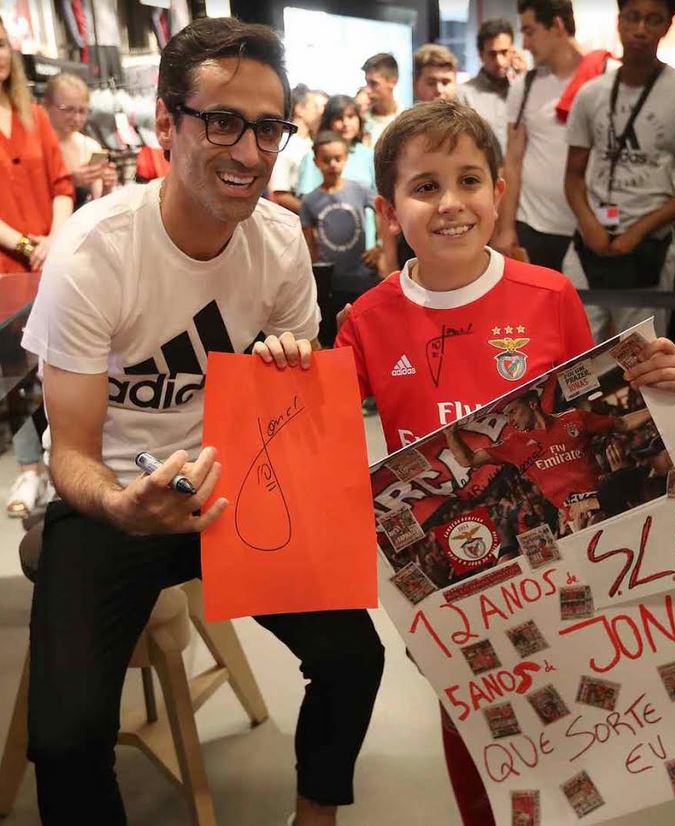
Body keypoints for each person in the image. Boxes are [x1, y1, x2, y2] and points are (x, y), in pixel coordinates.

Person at [19, 18, 383, 826]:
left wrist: (293, 378)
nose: (250, 153)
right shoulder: (94, 254)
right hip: (112, 503)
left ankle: (314, 815)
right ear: (164, 122)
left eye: (267, 128)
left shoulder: (283, 245)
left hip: (236, 489)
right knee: (67, 740)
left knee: (355, 656)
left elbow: (294, 421)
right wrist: (122, 505)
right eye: (222, 121)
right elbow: (72, 454)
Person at [334, 98, 675, 825]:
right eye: (424, 186)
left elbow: (595, 417)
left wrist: (665, 386)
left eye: (468, 180)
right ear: (388, 209)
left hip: (564, 561)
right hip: (452, 580)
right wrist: (284, 367)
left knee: (569, 719)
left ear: (499, 192)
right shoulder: (365, 321)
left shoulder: (550, 295)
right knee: (476, 729)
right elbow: (319, 439)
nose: (450, 204)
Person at [564, 0, 675, 341]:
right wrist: (589, 225)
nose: (641, 29)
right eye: (633, 17)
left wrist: (639, 231)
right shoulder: (591, 93)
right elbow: (572, 175)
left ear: (666, 26)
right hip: (590, 242)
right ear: (619, 21)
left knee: (643, 357)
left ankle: (638, 399)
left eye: (653, 20)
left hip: (649, 245)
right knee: (574, 355)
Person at [1, 18, 74, 516]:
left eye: (2, 42)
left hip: (48, 261)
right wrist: (29, 244)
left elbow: (63, 184)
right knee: (16, 377)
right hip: (7, 268)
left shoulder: (35, 117)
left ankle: (53, 467)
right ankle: (29, 470)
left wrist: (54, 239)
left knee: (52, 367)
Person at [445, 386, 675, 533]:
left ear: (533, 404)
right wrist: (450, 434)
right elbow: (467, 461)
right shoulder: (513, 445)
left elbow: (622, 424)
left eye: (512, 412)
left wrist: (659, 407)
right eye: (505, 415)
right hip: (575, 523)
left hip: (607, 503)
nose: (509, 420)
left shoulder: (574, 419)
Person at [492, 0, 589, 271]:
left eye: (530, 31)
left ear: (556, 25)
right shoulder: (525, 86)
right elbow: (512, 161)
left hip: (586, 230)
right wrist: (506, 228)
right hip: (533, 227)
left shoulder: (603, 79)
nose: (526, 43)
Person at [300, 131, 381, 344]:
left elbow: (384, 212)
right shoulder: (310, 201)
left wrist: (380, 247)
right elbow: (310, 244)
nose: (333, 164)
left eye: (338, 158)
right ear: (316, 160)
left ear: (346, 158)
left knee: (367, 331)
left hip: (362, 275)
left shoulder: (360, 190)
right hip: (331, 282)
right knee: (335, 335)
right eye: (326, 160)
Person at [43, 72, 117, 203]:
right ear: (47, 105)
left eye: (82, 111)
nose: (76, 118)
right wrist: (69, 182)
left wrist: (107, 187)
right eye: (68, 110)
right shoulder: (34, 146)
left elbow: (97, 205)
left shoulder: (90, 147)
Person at [458, 18, 518, 154]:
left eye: (504, 52)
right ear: (481, 55)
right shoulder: (464, 94)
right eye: (492, 54)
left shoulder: (520, 91)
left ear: (512, 52)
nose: (499, 61)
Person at [296, 94, 376, 196]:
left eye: (350, 116)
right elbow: (306, 198)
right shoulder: (313, 156)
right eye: (339, 118)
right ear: (329, 123)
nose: (345, 123)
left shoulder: (369, 156)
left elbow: (378, 196)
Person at [268, 83, 327, 213]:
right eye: (315, 107)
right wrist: (314, 215)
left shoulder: (312, 142)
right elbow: (279, 193)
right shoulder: (286, 144)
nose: (320, 113)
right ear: (300, 109)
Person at [362, 53, 401, 145]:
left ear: (393, 81)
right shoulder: (359, 121)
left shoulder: (408, 119)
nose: (367, 90)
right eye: (367, 83)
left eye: (374, 83)